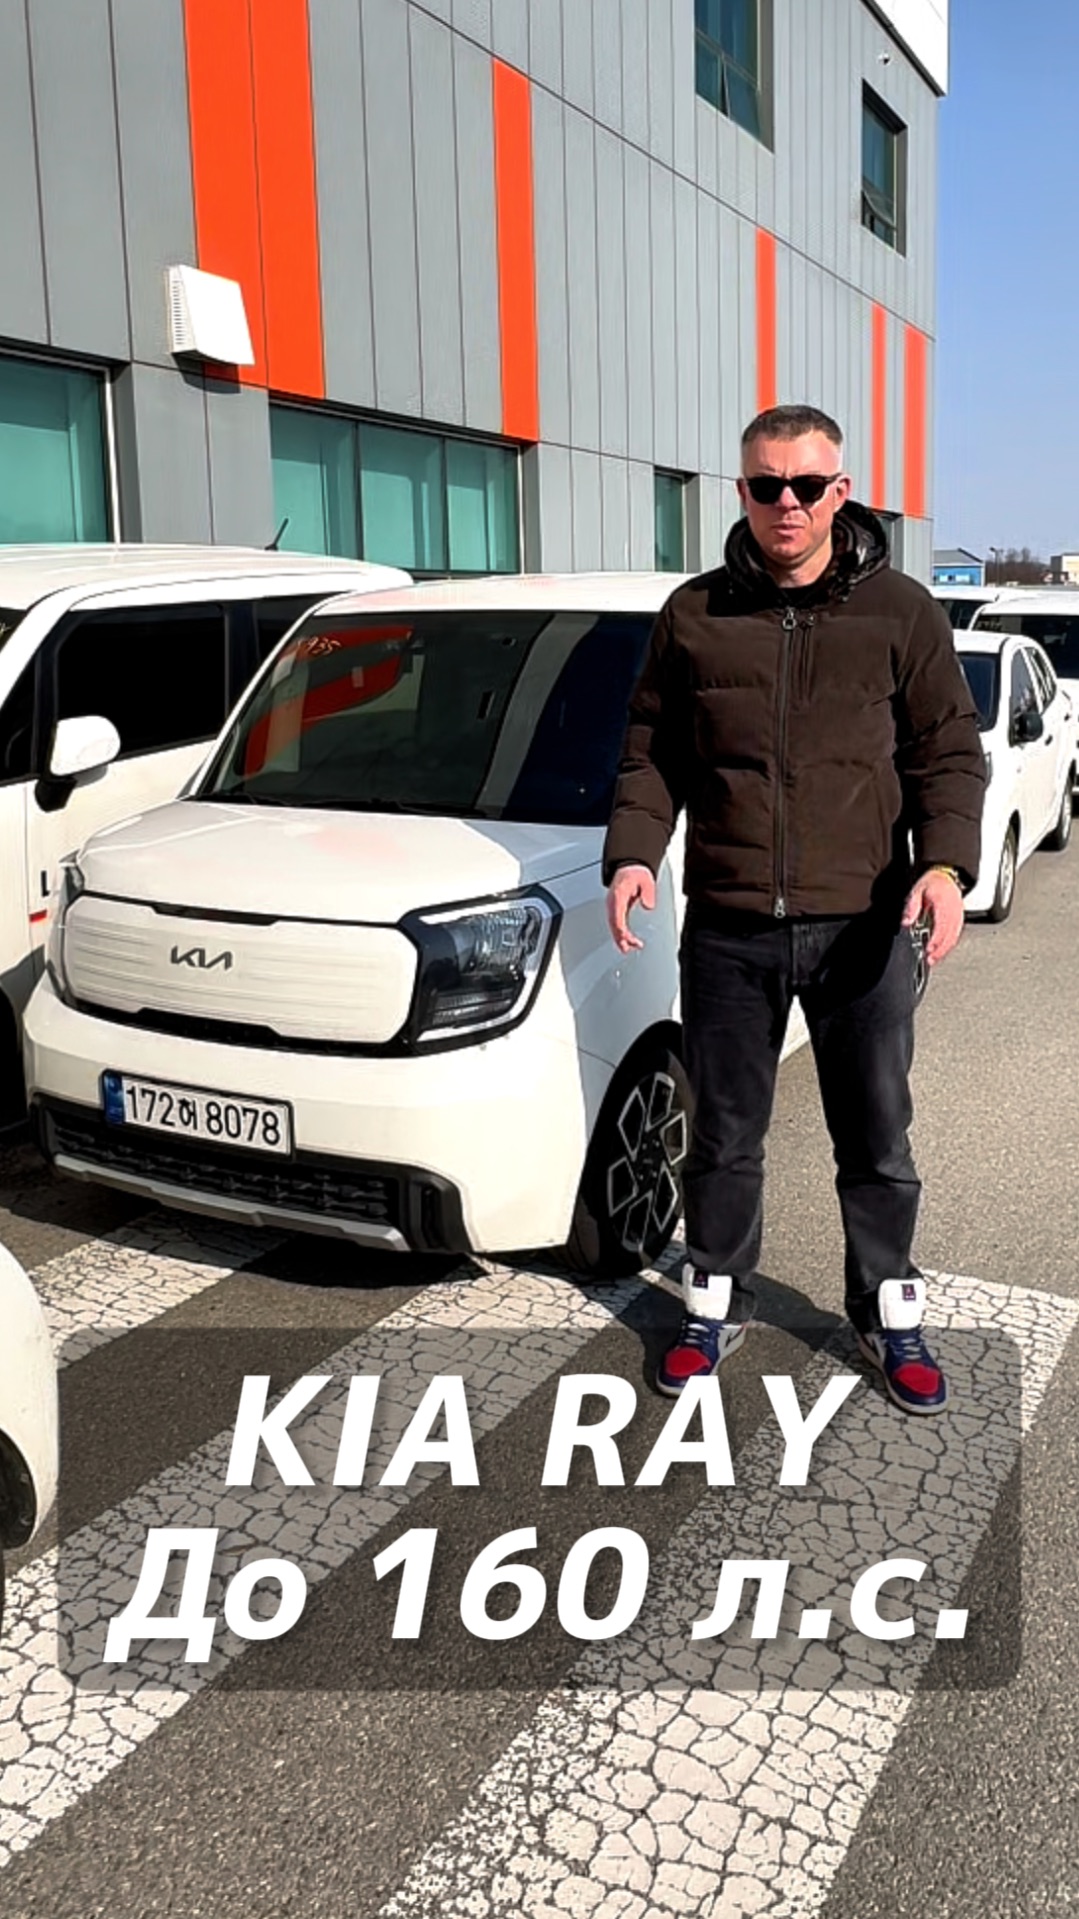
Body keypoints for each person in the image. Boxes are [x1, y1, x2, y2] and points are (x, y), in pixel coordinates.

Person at [603, 404, 986, 1415]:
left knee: (875, 1134)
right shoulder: (693, 614)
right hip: (730, 926)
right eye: (766, 484)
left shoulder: (901, 612)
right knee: (723, 1133)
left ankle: (885, 1307)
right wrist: (633, 852)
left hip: (864, 925)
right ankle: (712, 1300)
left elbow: (947, 753)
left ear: (839, 492)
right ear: (740, 491)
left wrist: (945, 867)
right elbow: (651, 751)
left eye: (806, 485)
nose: (787, 503)